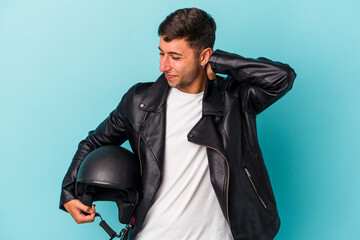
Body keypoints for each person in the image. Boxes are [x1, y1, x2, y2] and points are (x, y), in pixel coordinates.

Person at [60, 7, 296, 240]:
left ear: (204, 56)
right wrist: (68, 192)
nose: (163, 66)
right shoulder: (139, 102)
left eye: (175, 57)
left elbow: (281, 77)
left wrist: (220, 61)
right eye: (161, 53)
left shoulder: (234, 100)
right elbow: (94, 141)